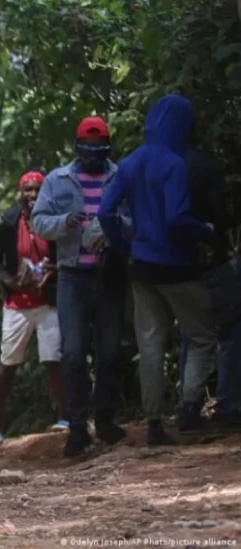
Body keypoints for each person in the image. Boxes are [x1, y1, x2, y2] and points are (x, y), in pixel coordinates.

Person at [99, 94, 219, 444]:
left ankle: (154, 425)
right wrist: (206, 232)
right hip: (177, 265)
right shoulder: (174, 163)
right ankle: (189, 408)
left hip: (142, 265)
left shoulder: (131, 162)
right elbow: (177, 218)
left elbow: (106, 212)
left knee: (150, 344)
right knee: (201, 336)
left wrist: (124, 246)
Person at [31, 116, 128, 458]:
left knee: (109, 351)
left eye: (99, 149)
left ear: (107, 148)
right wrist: (65, 222)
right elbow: (38, 222)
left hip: (110, 274)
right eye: (86, 149)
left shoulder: (121, 175)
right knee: (72, 352)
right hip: (72, 276)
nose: (92, 155)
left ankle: (104, 418)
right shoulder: (58, 180)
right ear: (77, 148)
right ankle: (76, 427)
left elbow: (136, 217)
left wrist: (113, 226)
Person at [0, 168, 67, 449]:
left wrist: (54, 271)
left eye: (38, 190)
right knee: (8, 363)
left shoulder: (54, 220)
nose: (33, 195)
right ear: (21, 194)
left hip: (47, 301)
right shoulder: (7, 222)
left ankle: (65, 418)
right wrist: (11, 281)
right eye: (28, 190)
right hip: (17, 305)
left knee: (53, 359)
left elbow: (65, 254)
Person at [179, 141, 241, 429]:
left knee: (191, 334)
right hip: (212, 260)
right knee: (231, 330)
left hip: (177, 264)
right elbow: (223, 213)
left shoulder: (165, 164)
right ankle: (227, 406)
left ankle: (188, 406)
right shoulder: (206, 166)